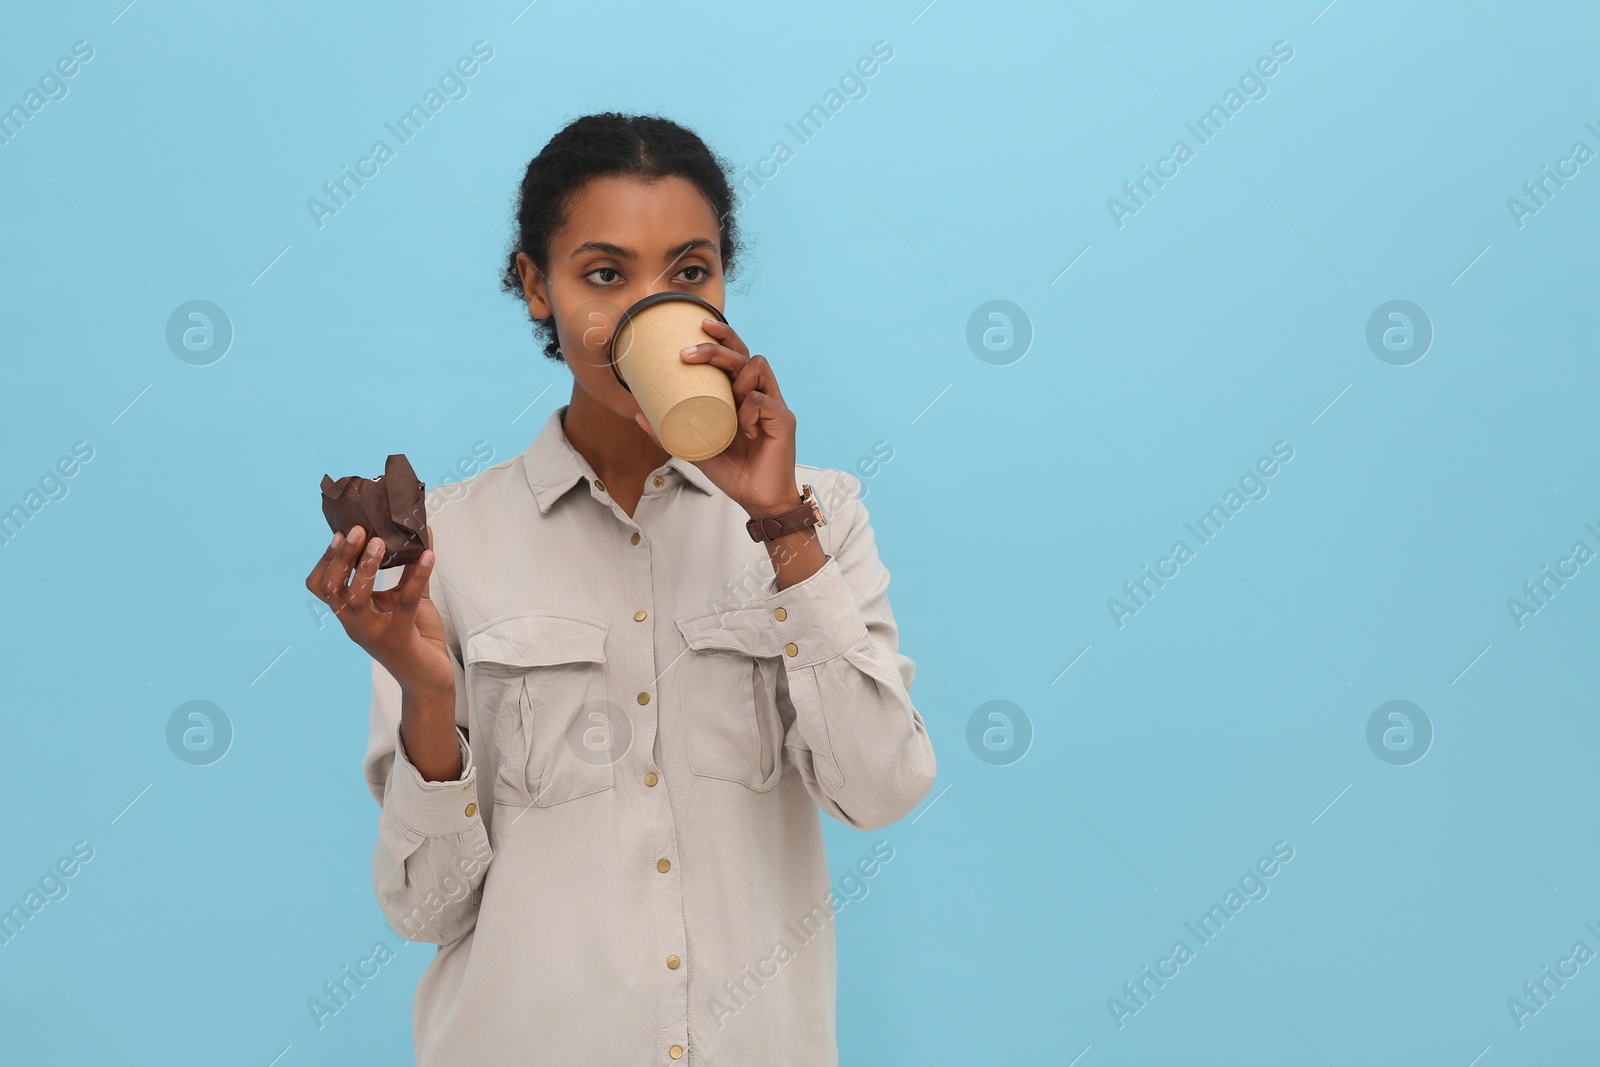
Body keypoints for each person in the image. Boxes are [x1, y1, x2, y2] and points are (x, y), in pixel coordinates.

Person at [304, 112, 936, 1065]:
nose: (654, 308)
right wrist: (429, 698)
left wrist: (781, 527)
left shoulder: (822, 515)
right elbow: (424, 908)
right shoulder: (451, 546)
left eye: (689, 272)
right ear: (535, 288)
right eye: (606, 274)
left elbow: (882, 791)